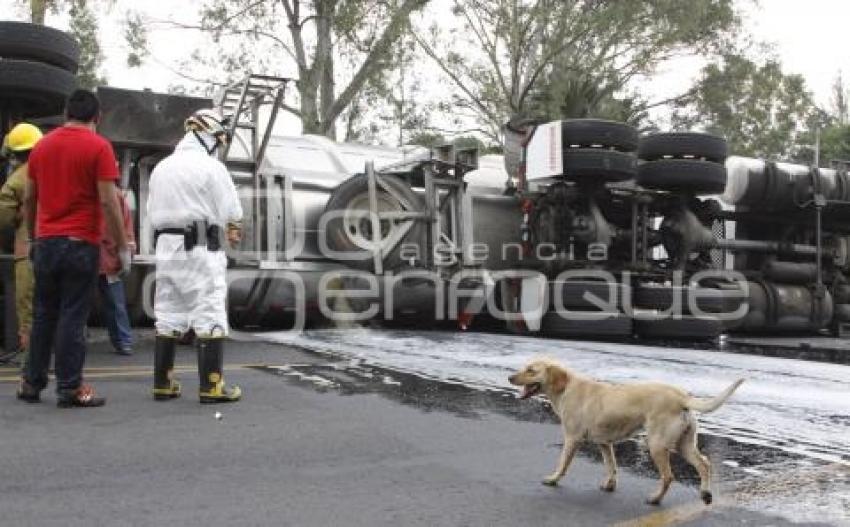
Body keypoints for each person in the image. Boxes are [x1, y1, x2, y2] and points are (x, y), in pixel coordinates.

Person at [17, 89, 130, 408]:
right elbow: (109, 201)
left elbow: (29, 197)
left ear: (66, 113)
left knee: (43, 314)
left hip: (47, 242)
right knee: (72, 315)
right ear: (98, 117)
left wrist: (34, 236)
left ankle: (31, 382)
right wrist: (121, 248)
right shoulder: (99, 147)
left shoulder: (41, 147)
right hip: (80, 243)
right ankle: (69, 387)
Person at [147, 108, 243, 404]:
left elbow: (152, 211)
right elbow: (231, 211)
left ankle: (164, 383)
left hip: (166, 247)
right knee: (210, 307)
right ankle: (212, 386)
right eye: (218, 139)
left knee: (168, 310)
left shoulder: (162, 167)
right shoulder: (211, 167)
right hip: (200, 247)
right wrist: (233, 227)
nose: (218, 145)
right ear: (208, 136)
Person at [0, 123, 42, 366]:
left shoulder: (15, 181)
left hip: (27, 250)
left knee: (27, 308)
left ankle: (31, 362)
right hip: (56, 247)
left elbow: (4, 218)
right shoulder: (54, 170)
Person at [98, 183, 135, 356]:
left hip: (92, 254)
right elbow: (126, 225)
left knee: (75, 304)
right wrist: (126, 249)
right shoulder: (115, 194)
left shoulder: (78, 190)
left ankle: (123, 340)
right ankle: (123, 340)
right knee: (115, 302)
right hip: (109, 255)